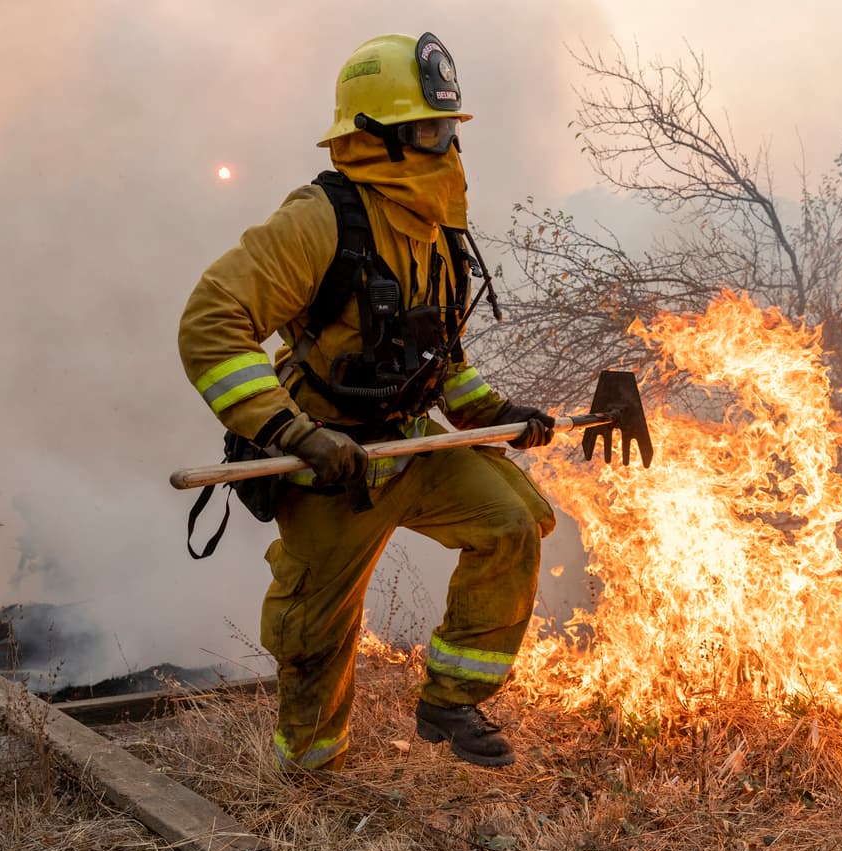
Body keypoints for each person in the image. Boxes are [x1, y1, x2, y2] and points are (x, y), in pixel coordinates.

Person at [177, 32, 557, 771]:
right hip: (330, 461)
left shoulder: (436, 232)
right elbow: (211, 322)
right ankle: (313, 774)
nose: (445, 146)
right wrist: (294, 433)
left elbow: (442, 365)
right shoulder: (322, 221)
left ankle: (449, 701)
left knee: (512, 523)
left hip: (408, 443)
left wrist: (499, 415)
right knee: (316, 631)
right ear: (371, 135)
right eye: (426, 130)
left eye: (448, 128)